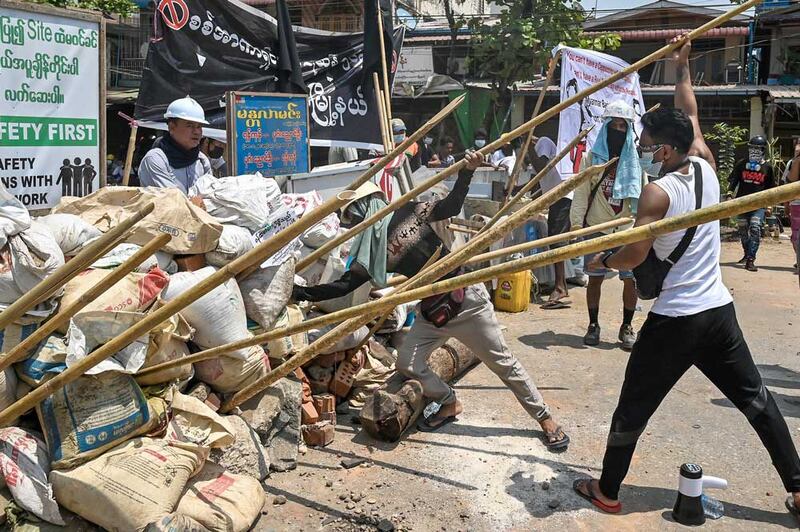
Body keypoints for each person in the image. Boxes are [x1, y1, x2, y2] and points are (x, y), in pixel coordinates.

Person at [573, 38, 800, 522]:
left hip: (676, 318)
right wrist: (681, 65)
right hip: (718, 311)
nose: (643, 150)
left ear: (667, 148)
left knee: (632, 407)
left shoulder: (657, 193)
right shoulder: (704, 163)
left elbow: (634, 254)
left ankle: (608, 491)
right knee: (757, 401)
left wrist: (604, 259)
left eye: (648, 144)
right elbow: (689, 107)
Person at [292, 152, 570, 450]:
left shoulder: (410, 212)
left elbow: (450, 205)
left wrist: (467, 172)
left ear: (368, 206)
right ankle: (448, 402)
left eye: (356, 215)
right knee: (407, 362)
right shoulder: (373, 250)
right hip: (432, 311)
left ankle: (545, 419)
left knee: (503, 364)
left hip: (465, 302)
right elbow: (346, 284)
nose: (356, 223)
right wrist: (304, 294)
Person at [569, 101, 645, 350]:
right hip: (598, 227)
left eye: (624, 126)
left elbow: (645, 195)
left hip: (626, 229)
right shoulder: (593, 159)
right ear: (606, 128)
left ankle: (627, 325)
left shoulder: (636, 163)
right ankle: (593, 325)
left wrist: (645, 230)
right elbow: (581, 193)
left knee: (631, 280)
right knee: (595, 278)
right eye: (615, 125)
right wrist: (575, 226)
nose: (619, 130)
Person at [138, 96, 212, 194]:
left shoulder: (202, 160)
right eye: (190, 126)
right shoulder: (156, 159)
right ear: (172, 127)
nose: (197, 132)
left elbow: (211, 195)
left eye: (199, 126)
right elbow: (174, 200)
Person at [535, 137, 573, 309]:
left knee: (556, 241)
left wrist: (527, 147)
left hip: (562, 196)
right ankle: (561, 284)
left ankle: (560, 287)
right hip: (558, 196)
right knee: (557, 240)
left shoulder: (542, 142)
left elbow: (541, 168)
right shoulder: (549, 146)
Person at [728, 135, 776, 272]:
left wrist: (769, 205)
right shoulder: (742, 164)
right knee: (743, 231)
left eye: (757, 148)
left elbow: (771, 189)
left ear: (762, 150)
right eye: (752, 148)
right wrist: (730, 194)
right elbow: (733, 181)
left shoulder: (767, 167)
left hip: (758, 205)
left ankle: (750, 260)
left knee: (755, 229)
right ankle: (746, 253)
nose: (754, 151)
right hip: (742, 203)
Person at [787, 142, 800, 282]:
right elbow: (790, 182)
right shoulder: (793, 162)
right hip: (796, 203)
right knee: (796, 237)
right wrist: (797, 160)